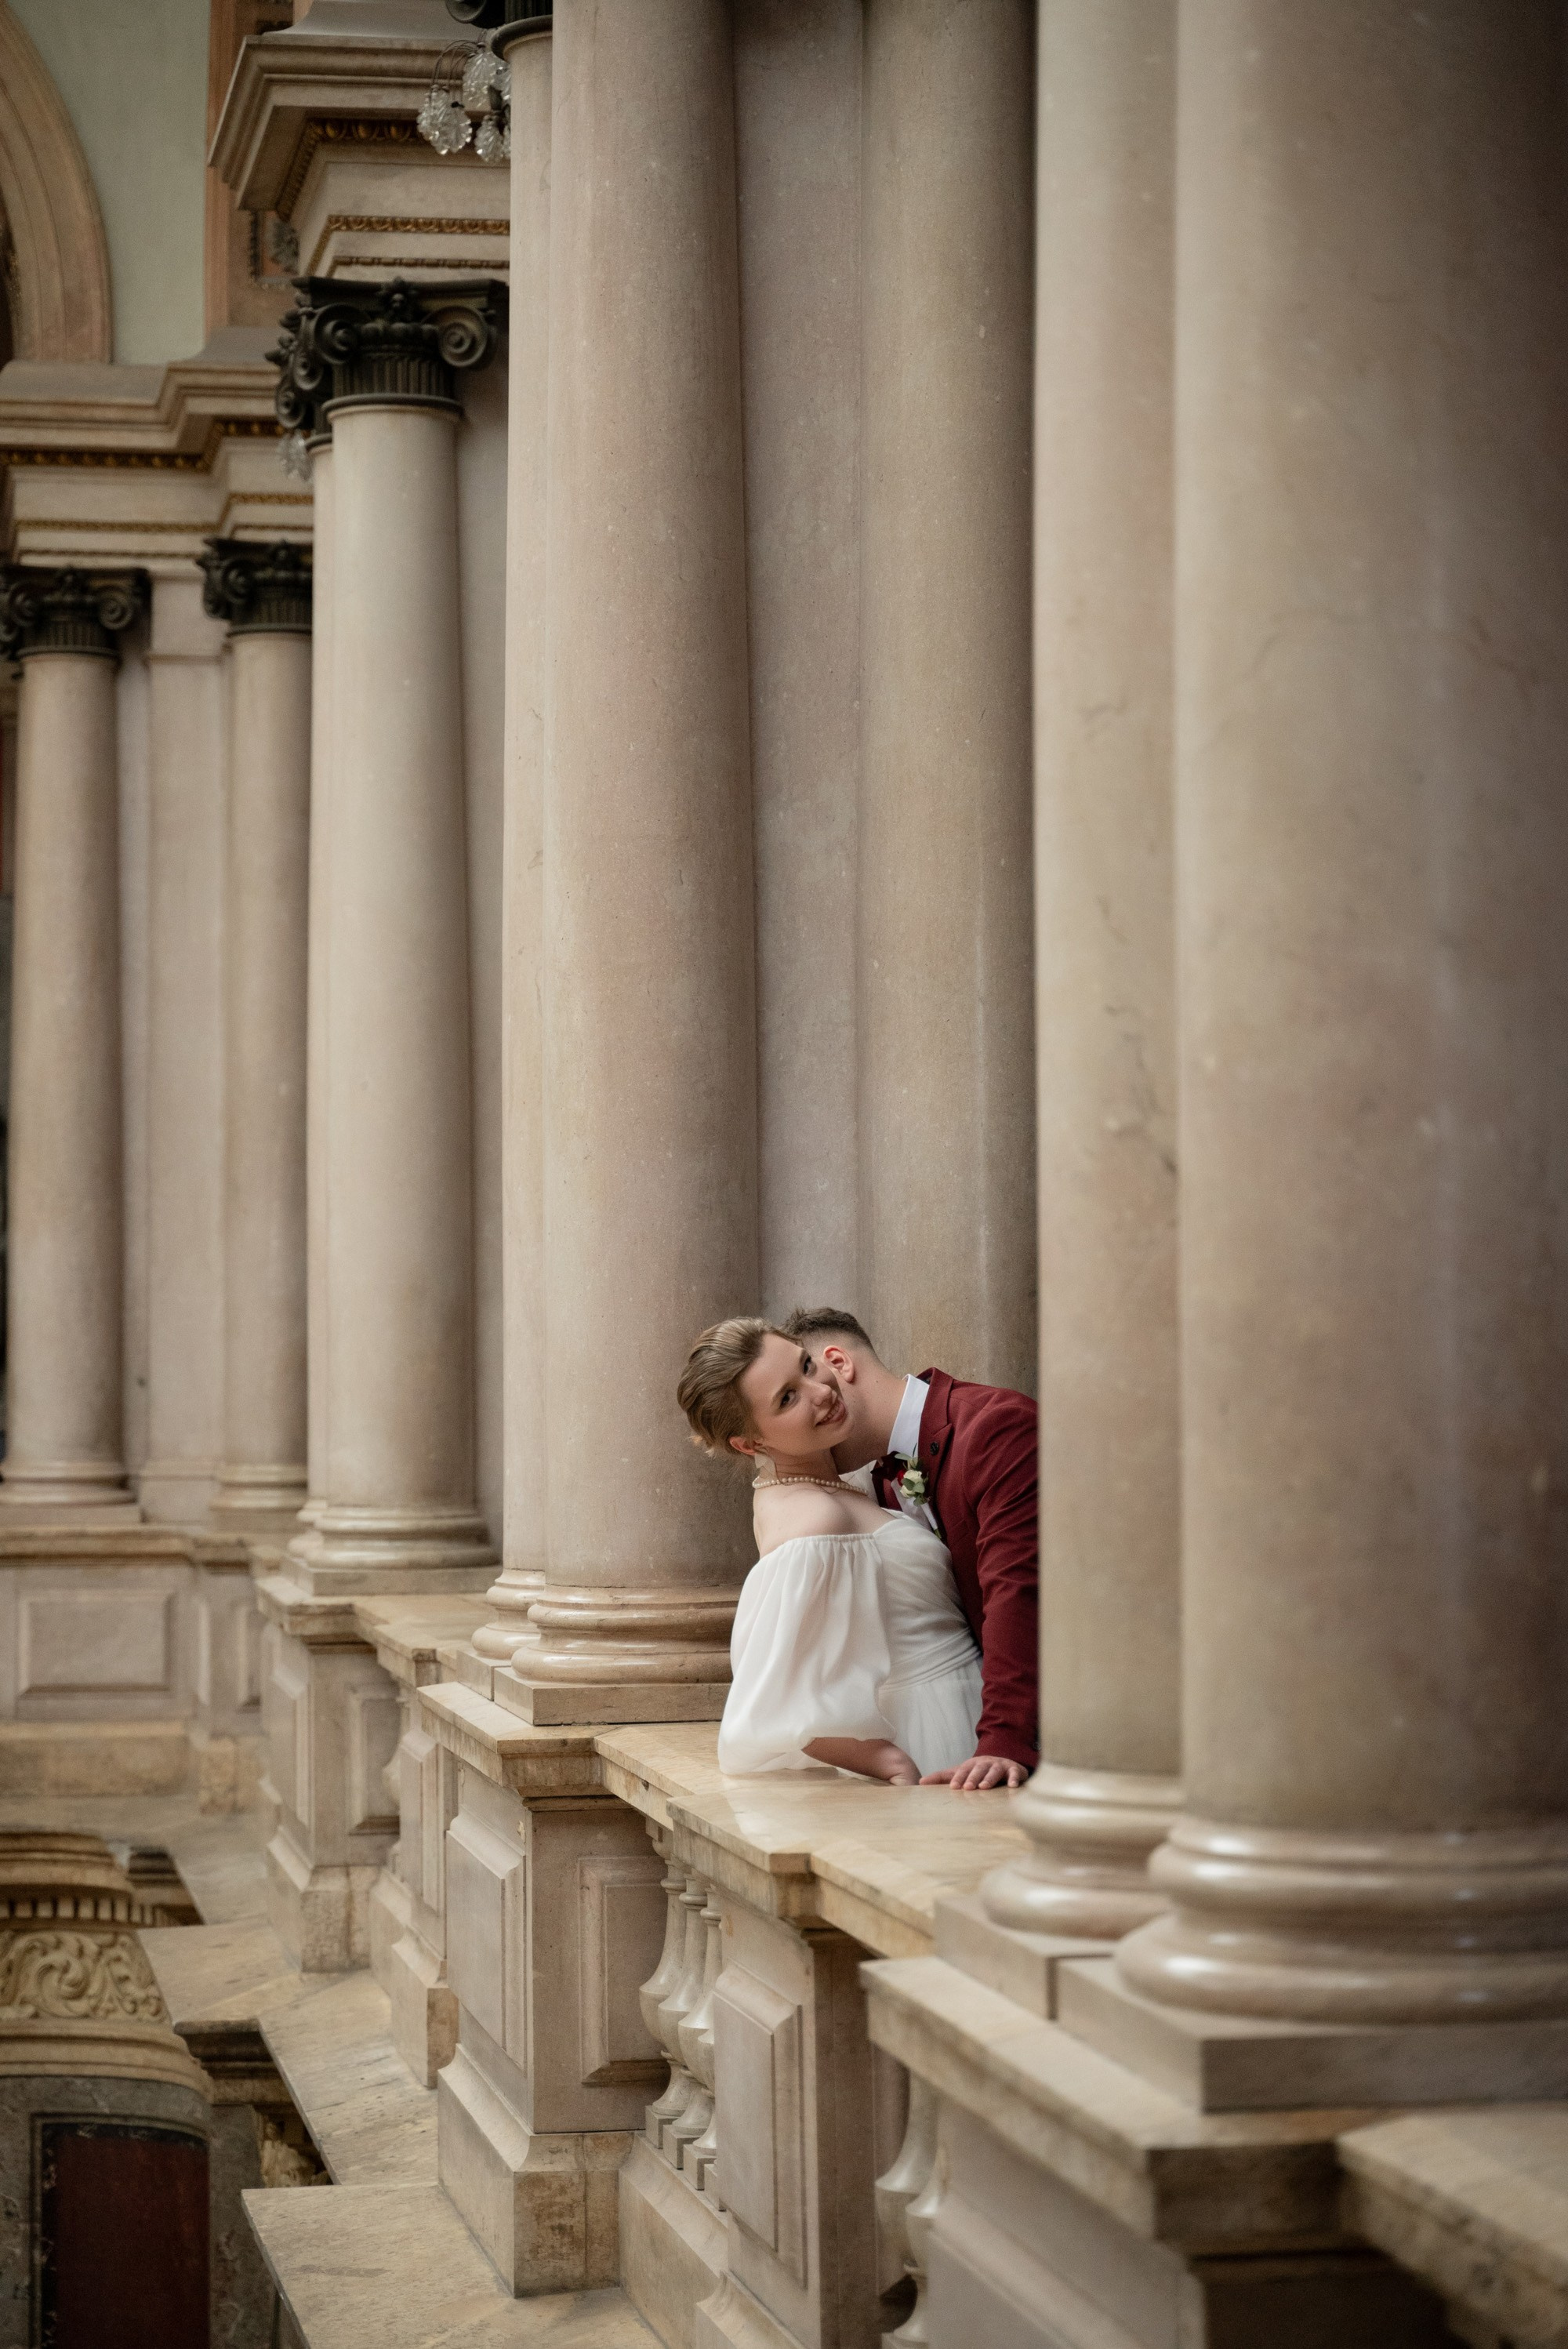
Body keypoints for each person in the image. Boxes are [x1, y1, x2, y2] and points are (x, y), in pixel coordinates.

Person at [678, 1318, 985, 1786]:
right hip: (939, 1725)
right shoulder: (812, 1521)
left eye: (806, 1365)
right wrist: (886, 1761)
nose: (821, 1391)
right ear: (751, 1443)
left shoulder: (825, 1487)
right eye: (787, 1398)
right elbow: (767, 1699)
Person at [779, 1306, 1037, 1792]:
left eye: (803, 1380)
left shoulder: (996, 1427)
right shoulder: (874, 1481)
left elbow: (1018, 1589)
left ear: (838, 1363)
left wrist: (1004, 1740)